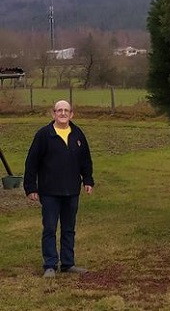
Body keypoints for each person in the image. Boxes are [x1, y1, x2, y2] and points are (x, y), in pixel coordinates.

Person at [24, 100, 95, 277]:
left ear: (72, 114)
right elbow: (31, 163)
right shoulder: (44, 135)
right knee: (49, 228)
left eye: (66, 110)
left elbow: (86, 160)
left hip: (71, 191)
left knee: (69, 228)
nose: (62, 113)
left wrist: (88, 180)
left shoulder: (78, 135)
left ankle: (68, 264)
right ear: (53, 114)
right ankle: (50, 265)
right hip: (49, 192)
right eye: (59, 110)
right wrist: (31, 187)